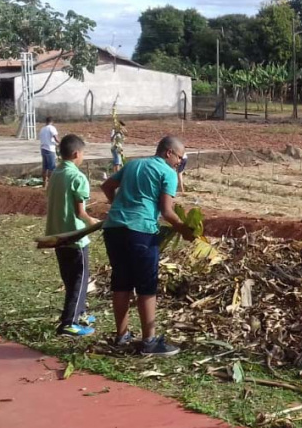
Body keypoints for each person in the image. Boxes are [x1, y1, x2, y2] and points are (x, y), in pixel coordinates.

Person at [101, 136, 196, 357]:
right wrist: (184, 229)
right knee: (146, 286)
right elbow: (167, 211)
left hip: (114, 228)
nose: (179, 163)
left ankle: (122, 336)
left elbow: (107, 185)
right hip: (141, 232)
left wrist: (115, 205)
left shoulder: (133, 164)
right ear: (168, 153)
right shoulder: (167, 173)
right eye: (179, 157)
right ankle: (149, 342)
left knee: (121, 283)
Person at [45, 134, 99, 337]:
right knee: (80, 279)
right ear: (77, 153)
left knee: (70, 278)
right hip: (76, 238)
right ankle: (69, 323)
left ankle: (81, 312)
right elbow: (80, 212)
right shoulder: (77, 177)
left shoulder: (56, 173)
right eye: (83, 153)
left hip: (57, 235)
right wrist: (93, 222)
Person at [38, 117, 60, 188]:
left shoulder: (42, 129)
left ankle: (44, 183)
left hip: (43, 149)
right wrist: (61, 143)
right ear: (52, 121)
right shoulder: (51, 128)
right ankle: (51, 184)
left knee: (45, 167)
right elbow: (56, 138)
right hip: (50, 149)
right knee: (52, 168)